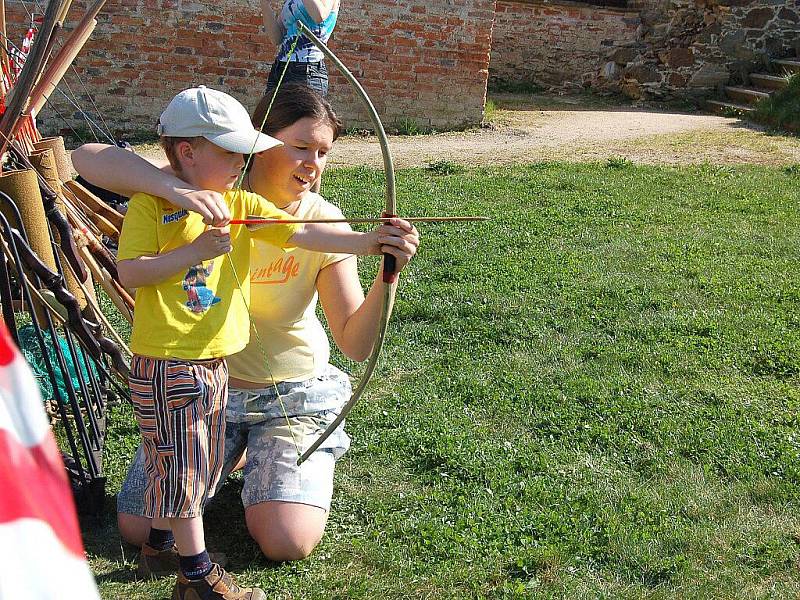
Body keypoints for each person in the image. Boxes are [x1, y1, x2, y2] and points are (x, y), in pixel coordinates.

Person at [71, 84, 420, 563]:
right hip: (206, 388)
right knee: (135, 524)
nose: (313, 163)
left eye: (323, 152)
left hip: (290, 395)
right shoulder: (206, 190)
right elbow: (84, 158)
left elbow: (355, 343)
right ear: (257, 142)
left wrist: (385, 269)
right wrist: (173, 187)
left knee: (285, 539)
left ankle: (257, 460)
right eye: (300, 146)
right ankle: (230, 454)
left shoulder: (318, 220)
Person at [261, 0, 339, 97]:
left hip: (307, 70)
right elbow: (276, 38)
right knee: (269, 111)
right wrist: (265, 4)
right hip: (280, 68)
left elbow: (319, 16)